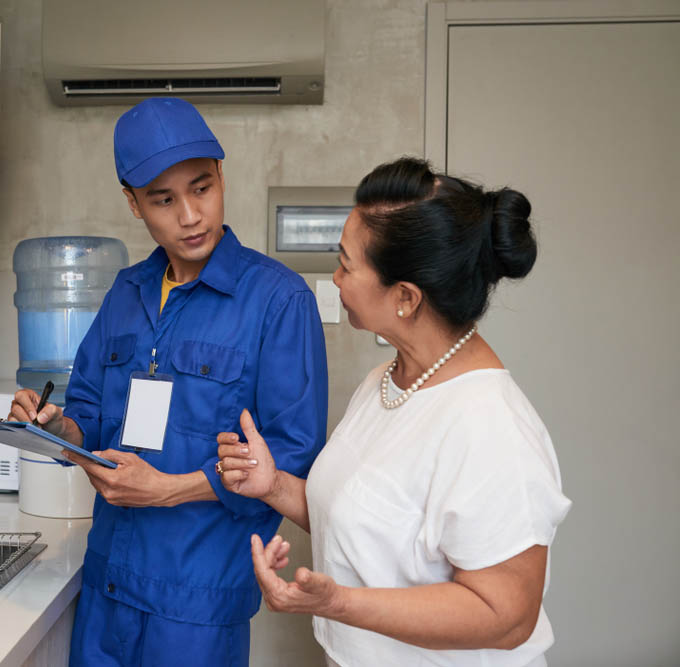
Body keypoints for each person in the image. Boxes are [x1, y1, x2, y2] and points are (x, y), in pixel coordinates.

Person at [7, 97, 328, 666]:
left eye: (201, 188)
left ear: (222, 176)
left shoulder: (278, 300)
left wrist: (170, 489)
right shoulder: (126, 293)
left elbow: (290, 458)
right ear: (133, 203)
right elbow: (86, 411)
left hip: (197, 606)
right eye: (163, 199)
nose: (190, 216)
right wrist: (55, 427)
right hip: (106, 589)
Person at [216, 157, 572, 666]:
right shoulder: (386, 383)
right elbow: (374, 529)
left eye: (346, 264)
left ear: (404, 297)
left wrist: (338, 602)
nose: (335, 278)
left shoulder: (491, 425)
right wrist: (272, 485)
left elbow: (508, 616)